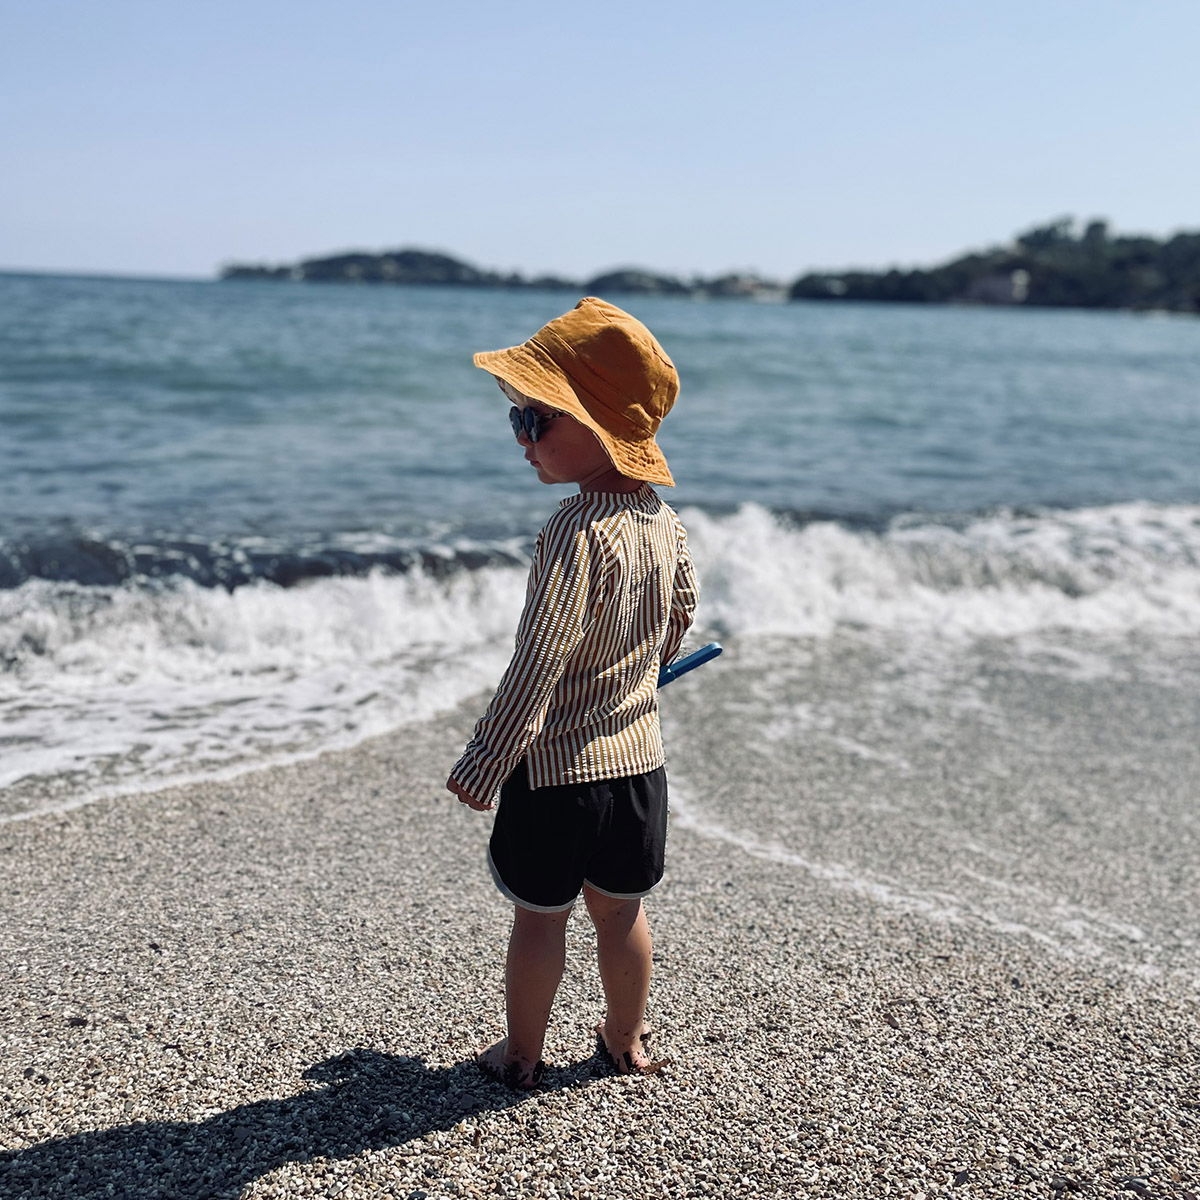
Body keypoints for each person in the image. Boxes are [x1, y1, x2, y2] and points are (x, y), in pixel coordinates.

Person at [445, 296, 698, 1090]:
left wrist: (488, 757)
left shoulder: (572, 529)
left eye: (533, 421)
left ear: (596, 427)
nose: (520, 441)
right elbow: (680, 612)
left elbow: (540, 657)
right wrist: (643, 668)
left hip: (556, 774)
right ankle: (627, 1041)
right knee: (620, 914)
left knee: (539, 919)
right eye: (516, 419)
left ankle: (520, 1056)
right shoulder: (664, 523)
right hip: (639, 769)